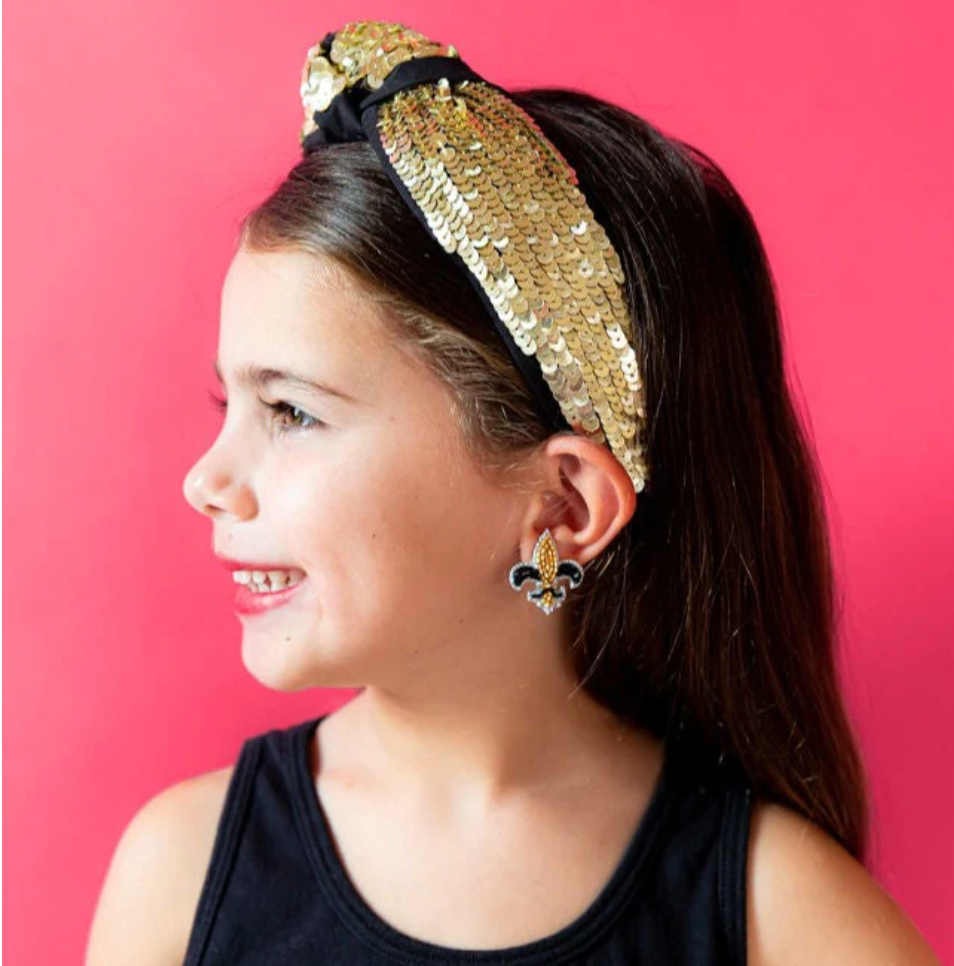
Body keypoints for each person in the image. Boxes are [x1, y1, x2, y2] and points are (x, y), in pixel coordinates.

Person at [85, 19, 941, 966]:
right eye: (230, 402)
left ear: (564, 505)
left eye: (291, 412)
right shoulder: (178, 877)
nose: (204, 481)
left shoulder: (786, 914)